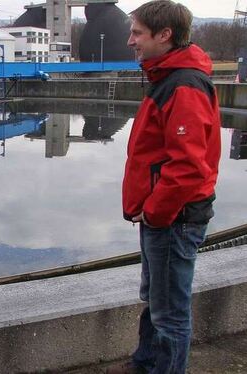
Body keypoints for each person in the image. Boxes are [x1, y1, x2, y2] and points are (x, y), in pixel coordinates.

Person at [109, 1, 221, 373]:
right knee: (155, 301)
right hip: (164, 217)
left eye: (137, 33)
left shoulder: (183, 85)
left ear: (164, 35)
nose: (130, 41)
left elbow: (188, 166)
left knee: (170, 313)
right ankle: (144, 364)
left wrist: (155, 213)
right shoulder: (167, 79)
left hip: (173, 218)